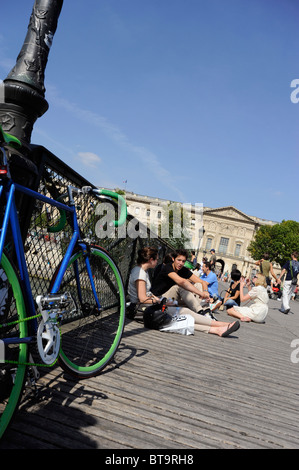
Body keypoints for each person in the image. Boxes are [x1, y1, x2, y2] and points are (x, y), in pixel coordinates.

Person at [128, 247, 240, 337]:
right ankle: (220, 324)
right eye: (156, 259)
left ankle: (217, 328)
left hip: (148, 307)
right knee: (184, 314)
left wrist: (162, 301)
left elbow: (146, 295)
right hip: (143, 310)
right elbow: (142, 299)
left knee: (183, 317)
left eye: (183, 261)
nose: (158, 261)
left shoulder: (142, 271)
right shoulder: (142, 273)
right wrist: (161, 301)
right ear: (151, 260)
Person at [150, 248, 210, 314]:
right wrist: (200, 293)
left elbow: (202, 282)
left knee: (198, 284)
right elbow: (182, 282)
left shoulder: (183, 270)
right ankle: (200, 312)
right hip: (159, 298)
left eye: (183, 261)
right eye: (179, 260)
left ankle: (207, 312)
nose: (181, 263)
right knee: (180, 286)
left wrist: (205, 292)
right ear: (173, 259)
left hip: (173, 299)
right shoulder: (167, 267)